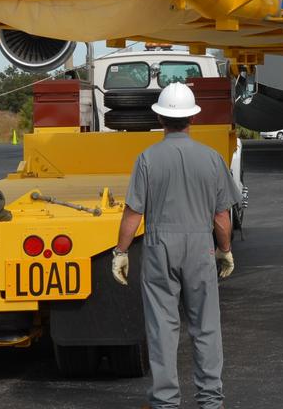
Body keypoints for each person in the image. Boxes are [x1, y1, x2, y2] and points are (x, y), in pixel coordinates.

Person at [112, 82, 239, 409]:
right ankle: (211, 401)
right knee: (206, 327)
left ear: (159, 117)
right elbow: (221, 216)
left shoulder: (147, 159)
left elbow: (133, 213)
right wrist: (223, 250)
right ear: (192, 118)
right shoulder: (211, 158)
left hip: (159, 248)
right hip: (199, 247)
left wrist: (121, 252)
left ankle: (166, 402)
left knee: (162, 330)